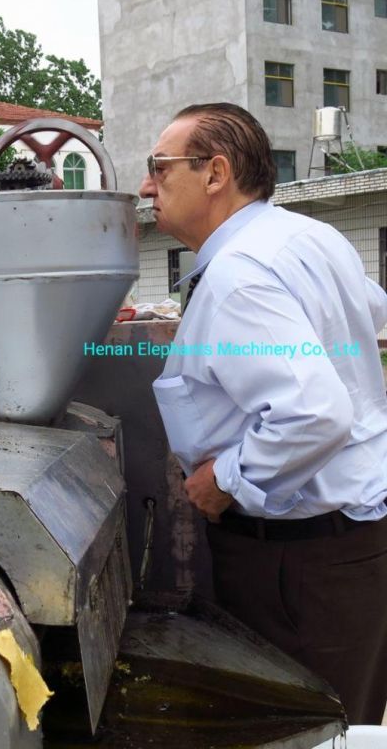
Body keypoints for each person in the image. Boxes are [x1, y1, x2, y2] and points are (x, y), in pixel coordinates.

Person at [140, 102, 387, 725]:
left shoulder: (238, 276)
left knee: (300, 726)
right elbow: (370, 316)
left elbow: (315, 414)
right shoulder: (305, 236)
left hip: (300, 564)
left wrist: (222, 481)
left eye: (159, 167)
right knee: (346, 721)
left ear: (215, 173)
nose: (147, 186)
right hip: (354, 541)